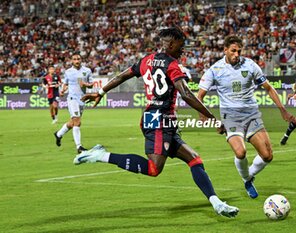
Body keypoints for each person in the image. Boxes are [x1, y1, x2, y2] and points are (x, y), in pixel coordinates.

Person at [73, 27, 239, 218]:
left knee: (194, 159)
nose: (182, 50)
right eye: (180, 45)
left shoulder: (146, 60)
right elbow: (186, 94)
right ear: (169, 44)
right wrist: (212, 118)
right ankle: (101, 155)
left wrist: (101, 92)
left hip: (160, 120)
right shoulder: (171, 65)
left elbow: (123, 75)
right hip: (158, 120)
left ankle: (217, 203)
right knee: (153, 169)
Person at [197, 35, 294, 199]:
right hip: (230, 117)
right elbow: (199, 96)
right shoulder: (215, 70)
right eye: (233, 51)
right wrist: (208, 119)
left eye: (239, 51)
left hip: (252, 116)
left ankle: (248, 176)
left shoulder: (250, 65)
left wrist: (282, 110)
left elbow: (268, 88)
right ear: (225, 50)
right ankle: (247, 179)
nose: (236, 54)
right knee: (240, 152)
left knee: (268, 156)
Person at [54, 52, 93, 153]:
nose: (77, 61)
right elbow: (66, 83)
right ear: (72, 60)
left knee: (72, 123)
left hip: (82, 99)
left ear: (81, 60)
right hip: (72, 99)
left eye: (78, 59)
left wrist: (85, 84)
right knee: (77, 121)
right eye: (74, 59)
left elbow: (91, 84)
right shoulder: (68, 72)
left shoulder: (87, 71)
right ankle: (79, 147)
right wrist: (63, 90)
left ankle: (58, 134)